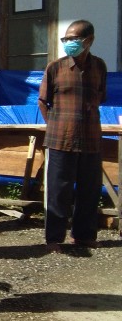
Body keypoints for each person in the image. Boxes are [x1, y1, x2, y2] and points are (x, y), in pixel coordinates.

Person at [38, 20, 107, 254]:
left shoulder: (99, 67)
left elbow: (101, 96)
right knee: (59, 191)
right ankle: (54, 238)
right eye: (66, 39)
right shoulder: (55, 68)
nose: (69, 43)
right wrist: (55, 124)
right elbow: (42, 101)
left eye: (73, 39)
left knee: (90, 189)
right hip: (60, 139)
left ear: (89, 41)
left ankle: (84, 235)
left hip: (90, 139)